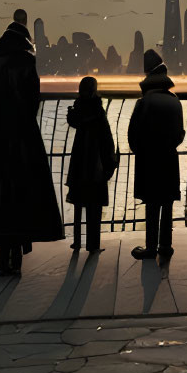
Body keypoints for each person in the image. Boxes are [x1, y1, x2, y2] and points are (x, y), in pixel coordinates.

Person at [0, 15, 64, 275]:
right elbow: (32, 101)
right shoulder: (27, 62)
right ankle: (17, 261)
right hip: (24, 136)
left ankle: (0, 262)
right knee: (22, 194)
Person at [128, 48, 185, 263]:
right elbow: (180, 134)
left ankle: (151, 247)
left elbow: (133, 135)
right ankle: (166, 246)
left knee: (152, 205)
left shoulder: (144, 103)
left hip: (150, 159)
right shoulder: (175, 101)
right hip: (169, 159)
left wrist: (141, 150)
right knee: (167, 203)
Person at [65, 75, 118, 254]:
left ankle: (77, 240)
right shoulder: (97, 109)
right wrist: (111, 161)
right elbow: (107, 138)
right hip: (95, 161)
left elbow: (74, 122)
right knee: (94, 205)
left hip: (80, 161)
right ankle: (93, 244)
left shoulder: (78, 108)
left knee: (79, 202)